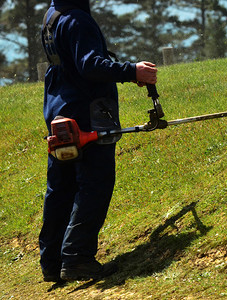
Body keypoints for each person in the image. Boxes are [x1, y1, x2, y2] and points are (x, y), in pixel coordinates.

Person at [39, 0, 157, 282]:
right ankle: (78, 257)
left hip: (59, 110)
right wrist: (132, 71)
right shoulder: (78, 19)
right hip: (89, 113)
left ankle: (52, 262)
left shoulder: (52, 16)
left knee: (61, 187)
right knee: (95, 183)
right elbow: (89, 65)